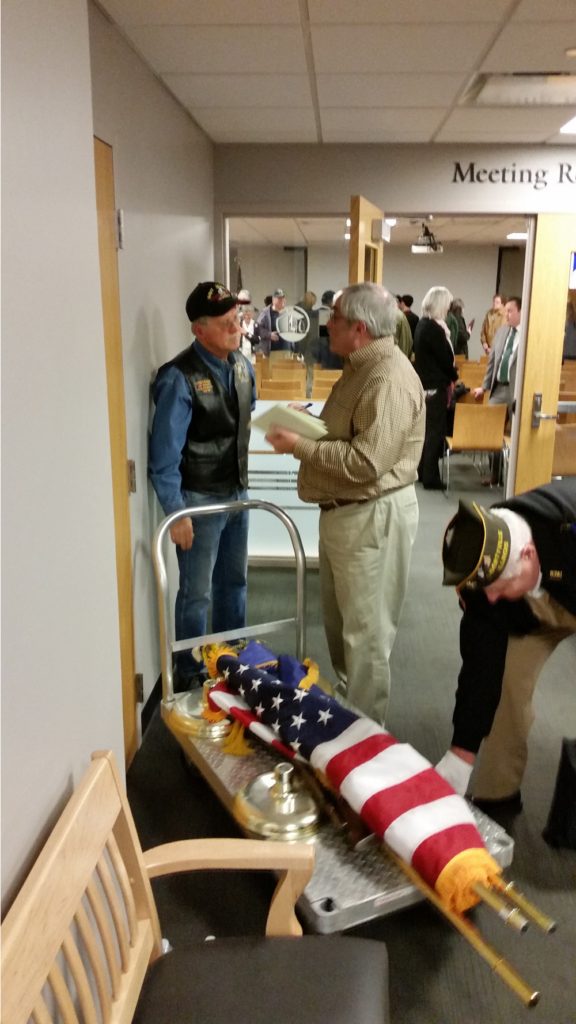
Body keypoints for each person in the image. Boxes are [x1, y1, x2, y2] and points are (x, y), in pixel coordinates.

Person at [265, 282, 425, 725]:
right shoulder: (359, 367)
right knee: (343, 635)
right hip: (348, 516)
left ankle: (366, 744)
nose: (326, 324)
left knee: (366, 641)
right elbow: (349, 435)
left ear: (358, 328)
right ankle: (347, 722)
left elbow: (368, 462)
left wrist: (299, 444)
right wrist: (307, 423)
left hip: (372, 517)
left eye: (333, 317)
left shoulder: (387, 377)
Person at [435, 483, 576, 811]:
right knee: (506, 682)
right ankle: (498, 796)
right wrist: (460, 755)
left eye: (500, 588)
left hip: (569, 575)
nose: (491, 600)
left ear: (528, 554)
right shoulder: (481, 576)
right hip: (535, 606)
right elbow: (479, 668)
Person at [148, 281, 256, 687]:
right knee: (197, 594)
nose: (235, 326)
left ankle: (231, 659)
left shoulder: (242, 367)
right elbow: (164, 457)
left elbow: (242, 424)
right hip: (198, 503)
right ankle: (191, 670)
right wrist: (176, 512)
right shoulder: (178, 378)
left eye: (235, 319)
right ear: (199, 330)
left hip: (238, 496)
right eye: (225, 322)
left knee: (235, 584)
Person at [413, 286, 459, 490]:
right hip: (434, 386)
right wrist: (454, 376)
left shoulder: (423, 325)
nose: (449, 309)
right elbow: (445, 359)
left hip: (425, 385)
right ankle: (431, 477)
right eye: (448, 305)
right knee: (435, 433)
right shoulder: (433, 329)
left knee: (427, 432)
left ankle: (424, 472)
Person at [473, 296, 522, 485]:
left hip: (517, 390)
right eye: (505, 311)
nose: (506, 315)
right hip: (499, 388)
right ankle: (495, 475)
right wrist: (484, 386)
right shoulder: (501, 333)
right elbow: (492, 363)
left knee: (517, 433)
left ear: (520, 311)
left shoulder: (529, 334)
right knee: (492, 431)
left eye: (510, 311)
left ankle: (515, 476)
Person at [255, 288, 292, 355]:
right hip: (272, 352)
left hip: (286, 351)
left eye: (283, 298)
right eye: (279, 298)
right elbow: (257, 329)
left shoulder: (288, 312)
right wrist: (269, 335)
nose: (282, 300)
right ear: (273, 300)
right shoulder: (265, 313)